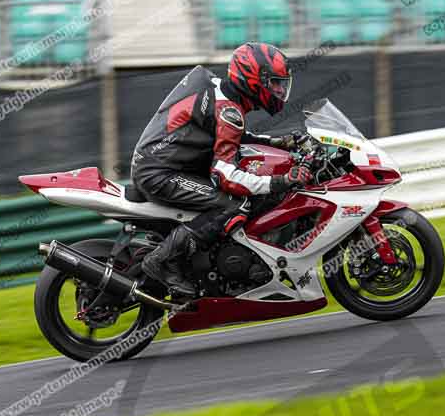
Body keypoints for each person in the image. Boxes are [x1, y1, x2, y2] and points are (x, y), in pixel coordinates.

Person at [129, 42, 312, 297]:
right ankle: (162, 260)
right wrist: (280, 181)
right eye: (274, 83)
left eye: (282, 84)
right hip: (160, 173)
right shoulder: (228, 109)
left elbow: (232, 135)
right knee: (233, 204)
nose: (280, 90)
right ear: (253, 79)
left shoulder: (223, 95)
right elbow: (225, 175)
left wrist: (278, 142)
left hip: (167, 165)